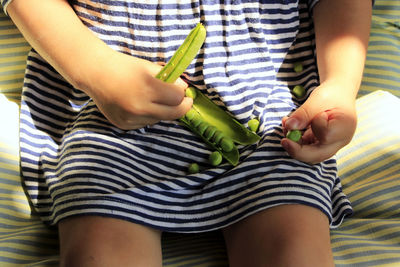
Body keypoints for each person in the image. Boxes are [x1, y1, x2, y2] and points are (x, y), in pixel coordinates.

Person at [4, 0, 372, 266]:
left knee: (294, 253)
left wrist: (340, 85)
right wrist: (99, 72)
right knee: (101, 253)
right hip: (111, 117)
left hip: (266, 120)